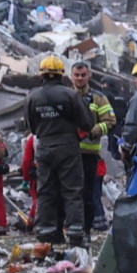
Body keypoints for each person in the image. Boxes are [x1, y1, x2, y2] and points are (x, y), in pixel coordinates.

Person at [25, 55, 95, 246]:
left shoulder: (32, 97)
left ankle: (45, 234)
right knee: (72, 191)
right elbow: (87, 123)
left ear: (42, 75)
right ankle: (74, 234)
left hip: (44, 148)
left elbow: (31, 127)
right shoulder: (70, 95)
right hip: (68, 149)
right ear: (61, 74)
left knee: (45, 191)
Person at [70, 61, 116, 233]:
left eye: (83, 75)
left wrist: (96, 129)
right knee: (71, 195)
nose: (80, 78)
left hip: (89, 155)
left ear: (89, 76)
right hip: (69, 155)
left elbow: (110, 121)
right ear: (71, 76)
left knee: (89, 195)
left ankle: (86, 230)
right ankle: (73, 227)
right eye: (77, 75)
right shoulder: (65, 96)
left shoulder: (98, 98)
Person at [20, 133, 39, 229]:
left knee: (37, 200)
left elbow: (27, 160)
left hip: (37, 174)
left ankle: (32, 225)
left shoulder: (32, 138)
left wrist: (26, 178)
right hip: (55, 172)